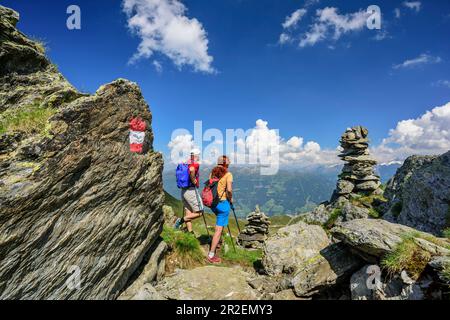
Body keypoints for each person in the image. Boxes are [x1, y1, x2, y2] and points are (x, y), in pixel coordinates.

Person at [207, 155, 233, 264]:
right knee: (218, 230)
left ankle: (216, 242)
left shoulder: (212, 173)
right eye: (228, 163)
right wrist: (230, 200)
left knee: (219, 224)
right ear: (225, 164)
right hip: (223, 204)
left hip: (213, 203)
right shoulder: (228, 174)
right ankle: (211, 254)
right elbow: (229, 190)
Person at [174, 149, 204, 233]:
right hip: (191, 190)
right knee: (200, 213)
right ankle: (180, 220)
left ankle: (190, 233)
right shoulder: (194, 163)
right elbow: (191, 170)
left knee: (189, 212)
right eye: (199, 155)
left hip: (184, 190)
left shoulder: (186, 162)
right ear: (196, 155)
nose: (199, 157)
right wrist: (193, 179)